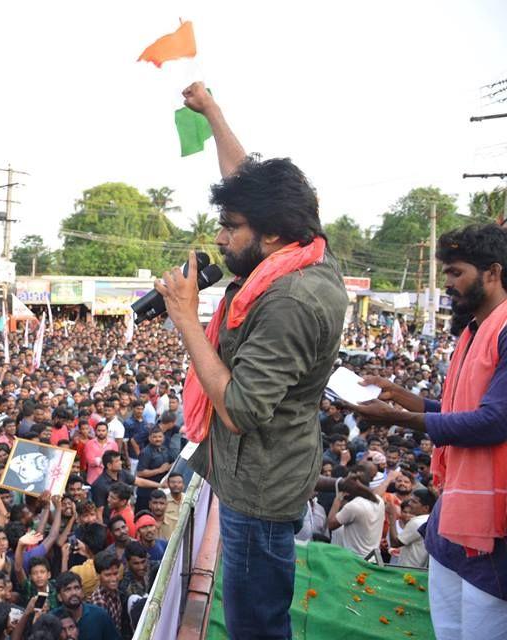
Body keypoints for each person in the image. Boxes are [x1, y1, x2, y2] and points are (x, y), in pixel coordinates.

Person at [152, 81, 349, 639]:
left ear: (271, 234)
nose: (219, 238)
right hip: (262, 471)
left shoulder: (289, 299)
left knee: (254, 624)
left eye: (230, 227)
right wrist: (212, 112)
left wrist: (187, 318)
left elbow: (239, 409)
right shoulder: (299, 253)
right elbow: (243, 181)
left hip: (258, 490)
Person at [349, 224, 507, 636]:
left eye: (456, 273)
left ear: (492, 272)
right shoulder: (475, 330)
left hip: (492, 532)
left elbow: (495, 421)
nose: (449, 285)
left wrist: (400, 419)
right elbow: (456, 411)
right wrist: (399, 395)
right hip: (453, 521)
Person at [51, 572, 120, 640]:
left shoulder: (99, 615)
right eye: (68, 589)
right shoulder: (52, 620)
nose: (74, 593)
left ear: (82, 592)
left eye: (77, 588)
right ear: (59, 597)